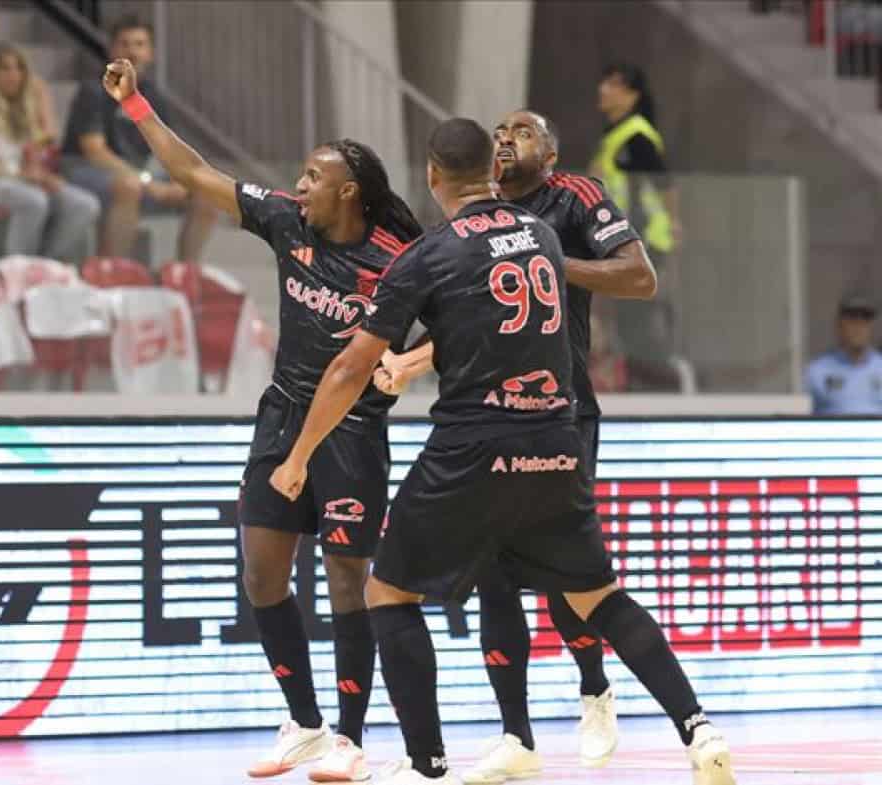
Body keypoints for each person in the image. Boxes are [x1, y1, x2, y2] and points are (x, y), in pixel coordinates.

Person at [269, 118, 736, 785]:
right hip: (556, 441)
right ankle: (698, 728)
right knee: (598, 595)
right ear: (491, 171)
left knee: (388, 592)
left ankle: (427, 765)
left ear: (432, 175)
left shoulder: (427, 255)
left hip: (473, 448)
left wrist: (297, 457)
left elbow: (349, 368)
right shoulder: (543, 235)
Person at [101, 58, 424, 782]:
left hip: (353, 432)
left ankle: (349, 739)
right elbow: (192, 173)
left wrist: (409, 362)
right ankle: (305, 724)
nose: (299, 186)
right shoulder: (284, 220)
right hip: (282, 417)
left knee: (348, 581)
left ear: (348, 191)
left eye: (313, 177)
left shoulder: (399, 258)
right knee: (261, 574)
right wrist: (136, 105)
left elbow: (458, 325)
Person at [381, 109, 657, 783]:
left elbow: (639, 276)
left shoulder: (573, 198)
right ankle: (516, 733)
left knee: (567, 580)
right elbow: (470, 321)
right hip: (491, 417)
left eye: (524, 131)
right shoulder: (479, 224)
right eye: (500, 132)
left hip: (562, 412)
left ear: (551, 153)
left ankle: (594, 688)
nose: (507, 138)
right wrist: (409, 363)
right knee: (494, 574)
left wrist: (553, 261)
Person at [65, 17, 217, 262]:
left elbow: (169, 150)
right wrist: (146, 182)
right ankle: (115, 267)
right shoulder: (93, 91)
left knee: (206, 190)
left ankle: (186, 271)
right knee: (129, 186)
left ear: (150, 53)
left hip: (138, 174)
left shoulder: (154, 96)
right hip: (87, 171)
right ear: (112, 51)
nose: (132, 51)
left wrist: (179, 180)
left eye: (139, 44)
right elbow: (95, 151)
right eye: (124, 44)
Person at [591, 63, 680, 386]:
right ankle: (639, 380)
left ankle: (660, 384)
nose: (603, 89)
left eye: (614, 84)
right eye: (604, 82)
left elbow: (664, 185)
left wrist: (674, 223)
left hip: (643, 239)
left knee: (636, 318)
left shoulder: (637, 136)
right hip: (622, 239)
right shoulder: (615, 135)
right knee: (626, 318)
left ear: (633, 95)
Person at [0, 43, 100, 265]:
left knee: (84, 204)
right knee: (34, 200)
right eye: (4, 68)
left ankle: (44, 264)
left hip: (18, 180)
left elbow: (32, 161)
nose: (13, 75)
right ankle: (17, 266)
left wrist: (42, 177)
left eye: (19, 68)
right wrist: (23, 177)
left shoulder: (23, 109)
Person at [805, 296, 881, 415]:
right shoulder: (817, 371)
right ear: (839, 325)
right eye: (852, 320)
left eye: (865, 320)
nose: (859, 327)